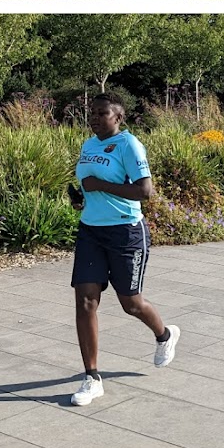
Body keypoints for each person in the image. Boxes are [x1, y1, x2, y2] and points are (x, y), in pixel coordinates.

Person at [68, 93, 179, 407]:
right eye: (92, 112)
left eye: (102, 113)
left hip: (126, 232)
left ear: (119, 117)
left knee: (131, 304)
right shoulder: (88, 145)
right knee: (86, 301)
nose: (95, 118)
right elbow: (88, 185)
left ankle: (164, 335)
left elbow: (145, 190)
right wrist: (80, 198)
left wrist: (99, 186)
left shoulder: (129, 145)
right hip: (91, 230)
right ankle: (91, 378)